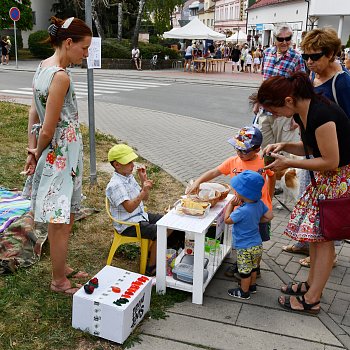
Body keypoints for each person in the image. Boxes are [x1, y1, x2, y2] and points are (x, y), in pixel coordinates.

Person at [251, 71, 350, 314]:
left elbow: (330, 160)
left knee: (324, 239)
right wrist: (285, 146)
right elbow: (312, 146)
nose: (274, 116)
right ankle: (310, 285)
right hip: (326, 180)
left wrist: (290, 162)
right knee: (316, 237)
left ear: (288, 100)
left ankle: (313, 299)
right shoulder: (305, 111)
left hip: (337, 180)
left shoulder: (321, 114)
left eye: (274, 111)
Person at [23, 17, 92, 295]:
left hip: (53, 152)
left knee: (61, 217)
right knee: (61, 220)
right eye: (84, 48)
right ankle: (59, 281)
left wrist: (32, 150)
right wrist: (38, 150)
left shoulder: (43, 67)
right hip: (61, 153)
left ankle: (61, 268)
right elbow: (49, 127)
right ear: (68, 43)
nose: (86, 54)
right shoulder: (60, 76)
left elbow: (33, 114)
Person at [283, 27, 350, 265]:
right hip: (313, 149)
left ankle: (324, 255)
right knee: (308, 200)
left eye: (315, 56)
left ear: (331, 53)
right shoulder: (313, 76)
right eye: (305, 56)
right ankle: (306, 243)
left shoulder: (341, 83)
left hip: (334, 159)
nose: (309, 62)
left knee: (327, 209)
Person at [186, 126, 275, 279]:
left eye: (244, 150)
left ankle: (255, 266)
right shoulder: (233, 161)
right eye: (237, 149)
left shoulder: (263, 163)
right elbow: (215, 172)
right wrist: (199, 181)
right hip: (242, 211)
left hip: (260, 210)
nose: (239, 153)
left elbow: (272, 177)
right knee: (241, 238)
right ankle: (243, 262)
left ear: (257, 149)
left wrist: (269, 197)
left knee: (257, 241)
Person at [106, 144, 184, 276]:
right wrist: (144, 190)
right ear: (117, 165)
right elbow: (129, 208)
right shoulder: (115, 185)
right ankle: (151, 267)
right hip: (128, 225)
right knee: (163, 229)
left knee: (172, 220)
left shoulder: (128, 177)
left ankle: (157, 251)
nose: (132, 165)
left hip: (140, 216)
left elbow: (145, 198)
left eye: (132, 161)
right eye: (128, 162)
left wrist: (143, 181)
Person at [224, 170, 273, 299]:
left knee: (244, 271)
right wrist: (256, 219)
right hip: (257, 245)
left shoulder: (241, 211)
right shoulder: (259, 204)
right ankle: (252, 286)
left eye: (237, 190)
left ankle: (244, 292)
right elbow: (269, 216)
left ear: (244, 193)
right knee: (253, 268)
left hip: (244, 247)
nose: (236, 192)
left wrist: (231, 205)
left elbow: (227, 220)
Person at [257, 23, 306, 150]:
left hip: (285, 114)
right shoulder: (267, 53)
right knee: (266, 150)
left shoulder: (296, 58)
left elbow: (302, 87)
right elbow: (264, 81)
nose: (285, 42)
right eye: (280, 39)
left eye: (288, 38)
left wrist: (298, 116)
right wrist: (258, 101)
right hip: (266, 111)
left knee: (284, 151)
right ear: (274, 39)